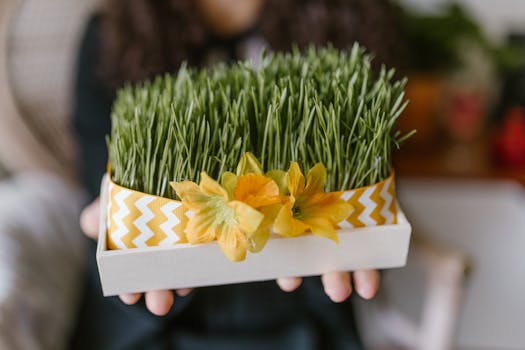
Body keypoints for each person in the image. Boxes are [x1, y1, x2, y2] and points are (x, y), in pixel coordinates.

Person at [71, 0, 405, 348]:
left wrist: (340, 249)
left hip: (305, 327)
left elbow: (371, 183)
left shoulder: (353, 20)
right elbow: (110, 214)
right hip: (155, 333)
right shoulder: (109, 36)